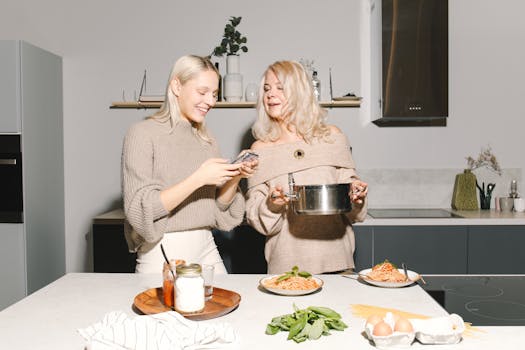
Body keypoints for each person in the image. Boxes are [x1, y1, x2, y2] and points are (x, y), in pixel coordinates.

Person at [122, 55, 257, 274]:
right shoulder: (142, 133)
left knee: (231, 306)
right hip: (163, 250)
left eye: (214, 94)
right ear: (176, 86)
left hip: (206, 245)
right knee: (163, 310)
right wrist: (199, 178)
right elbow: (139, 210)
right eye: (202, 92)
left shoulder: (206, 139)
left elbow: (217, 209)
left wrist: (236, 175)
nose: (211, 102)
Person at [245, 60, 368, 275]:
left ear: (300, 92)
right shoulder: (260, 149)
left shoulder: (333, 137)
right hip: (286, 270)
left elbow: (355, 213)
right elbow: (257, 220)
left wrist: (357, 196)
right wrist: (272, 205)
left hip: (337, 264)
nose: (270, 94)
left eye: (280, 88)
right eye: (266, 88)